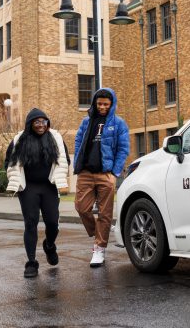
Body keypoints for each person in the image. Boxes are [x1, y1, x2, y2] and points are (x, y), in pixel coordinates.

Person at [6, 108, 69, 278]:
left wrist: (61, 178)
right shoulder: (20, 139)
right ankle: (31, 263)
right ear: (30, 124)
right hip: (28, 188)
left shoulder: (55, 137)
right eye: (37, 122)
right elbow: (9, 161)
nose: (41, 125)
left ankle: (49, 245)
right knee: (30, 223)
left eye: (44, 122)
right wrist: (15, 181)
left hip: (49, 186)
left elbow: (65, 160)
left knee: (52, 223)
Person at [74, 88, 130, 267]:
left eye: (106, 104)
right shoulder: (86, 121)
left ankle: (99, 249)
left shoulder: (119, 123)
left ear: (111, 104)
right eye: (99, 104)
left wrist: (114, 173)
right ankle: (101, 231)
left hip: (106, 173)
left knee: (105, 213)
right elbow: (78, 142)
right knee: (82, 208)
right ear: (95, 103)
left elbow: (123, 149)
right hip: (86, 172)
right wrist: (77, 163)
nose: (102, 107)